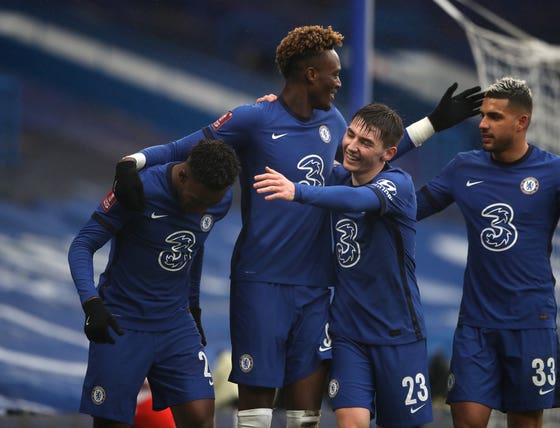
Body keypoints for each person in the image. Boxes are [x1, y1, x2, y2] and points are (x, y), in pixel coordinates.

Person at [111, 25, 483, 428]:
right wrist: (134, 161)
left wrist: (432, 123)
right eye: (334, 73)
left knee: (305, 414)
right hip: (260, 282)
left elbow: (371, 157)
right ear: (310, 74)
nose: (339, 81)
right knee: (255, 409)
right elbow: (184, 146)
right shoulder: (254, 118)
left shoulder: (334, 121)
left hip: (315, 289)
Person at [414, 77, 560, 428]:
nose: (482, 124)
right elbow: (406, 208)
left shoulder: (556, 171)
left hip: (531, 324)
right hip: (475, 326)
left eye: (494, 117)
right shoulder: (463, 167)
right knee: (466, 420)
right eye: (482, 116)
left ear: (521, 122)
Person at [254, 102, 432, 428]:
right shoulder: (337, 176)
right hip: (348, 333)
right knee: (351, 423)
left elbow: (358, 199)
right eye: (350, 135)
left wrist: (299, 192)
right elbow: (304, 150)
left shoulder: (398, 185)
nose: (351, 145)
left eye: (365, 143)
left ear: (388, 154)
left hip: (398, 333)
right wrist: (280, 107)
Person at [68, 139, 240, 428]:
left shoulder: (217, 200)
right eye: (197, 201)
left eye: (208, 205)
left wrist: (193, 308)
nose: (201, 211)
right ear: (183, 175)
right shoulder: (140, 190)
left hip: (175, 323)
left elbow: (192, 246)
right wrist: (91, 302)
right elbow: (82, 244)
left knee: (200, 417)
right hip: (123, 322)